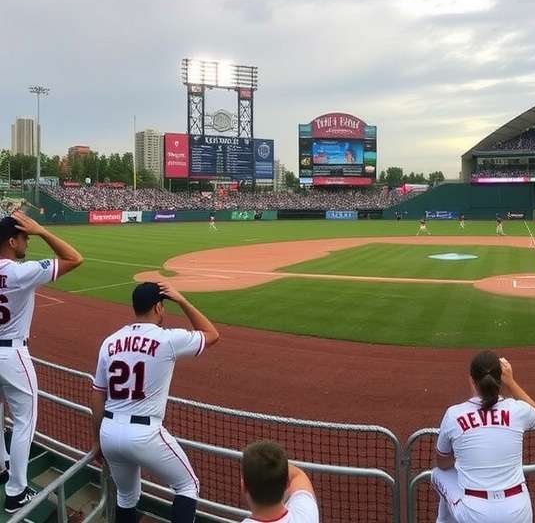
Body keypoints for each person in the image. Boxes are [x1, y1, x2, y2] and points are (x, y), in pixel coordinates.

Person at [90, 282, 220, 523]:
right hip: (144, 433)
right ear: (159, 308)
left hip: (109, 431)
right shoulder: (167, 339)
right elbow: (212, 334)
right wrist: (182, 300)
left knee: (126, 496)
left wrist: (97, 439)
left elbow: (97, 394)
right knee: (187, 486)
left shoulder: (110, 342)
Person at [0, 212, 83, 512]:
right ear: (12, 240)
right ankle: (16, 493)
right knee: (24, 421)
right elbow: (74, 258)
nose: (28, 241)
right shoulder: (21, 272)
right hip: (13, 353)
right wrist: (44, 230)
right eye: (25, 237)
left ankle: (1, 465)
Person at [432, 351, 535, 523]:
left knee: (438, 474)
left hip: (474, 514)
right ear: (500, 379)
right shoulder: (517, 410)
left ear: (471, 379)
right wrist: (511, 382)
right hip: (519, 511)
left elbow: (442, 463)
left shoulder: (454, 414)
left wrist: (466, 456)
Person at [240, 440, 319, 523]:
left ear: (244, 486)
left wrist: (260, 466)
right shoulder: (306, 513)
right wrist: (273, 465)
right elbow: (297, 475)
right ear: (287, 484)